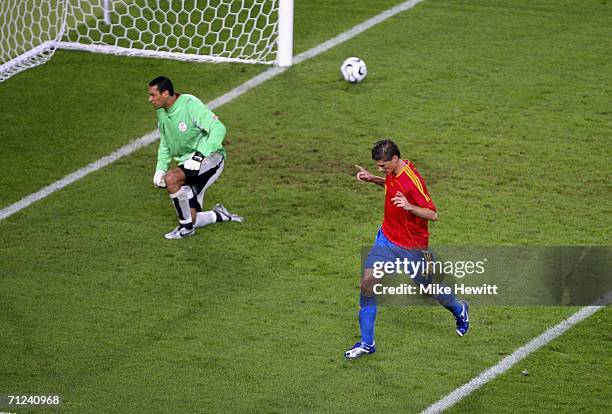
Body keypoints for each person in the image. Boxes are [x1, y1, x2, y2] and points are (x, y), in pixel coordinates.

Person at [345, 139, 469, 359]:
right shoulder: (393, 172)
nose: (380, 169)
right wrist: (373, 178)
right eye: (377, 167)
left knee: (429, 289)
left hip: (412, 247)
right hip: (386, 238)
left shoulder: (413, 181)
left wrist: (410, 206)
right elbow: (390, 184)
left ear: (395, 158)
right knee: (367, 284)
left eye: (382, 166)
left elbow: (433, 214)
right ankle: (367, 343)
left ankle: (459, 309)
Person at [148, 76, 243, 240]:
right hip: (187, 162)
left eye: (153, 95)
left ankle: (185, 230)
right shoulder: (161, 112)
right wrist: (160, 168)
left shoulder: (189, 105)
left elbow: (218, 128)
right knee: (191, 218)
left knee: (172, 179)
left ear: (165, 94)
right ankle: (219, 215)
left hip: (210, 158)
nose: (150, 99)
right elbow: (165, 140)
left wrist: (200, 155)